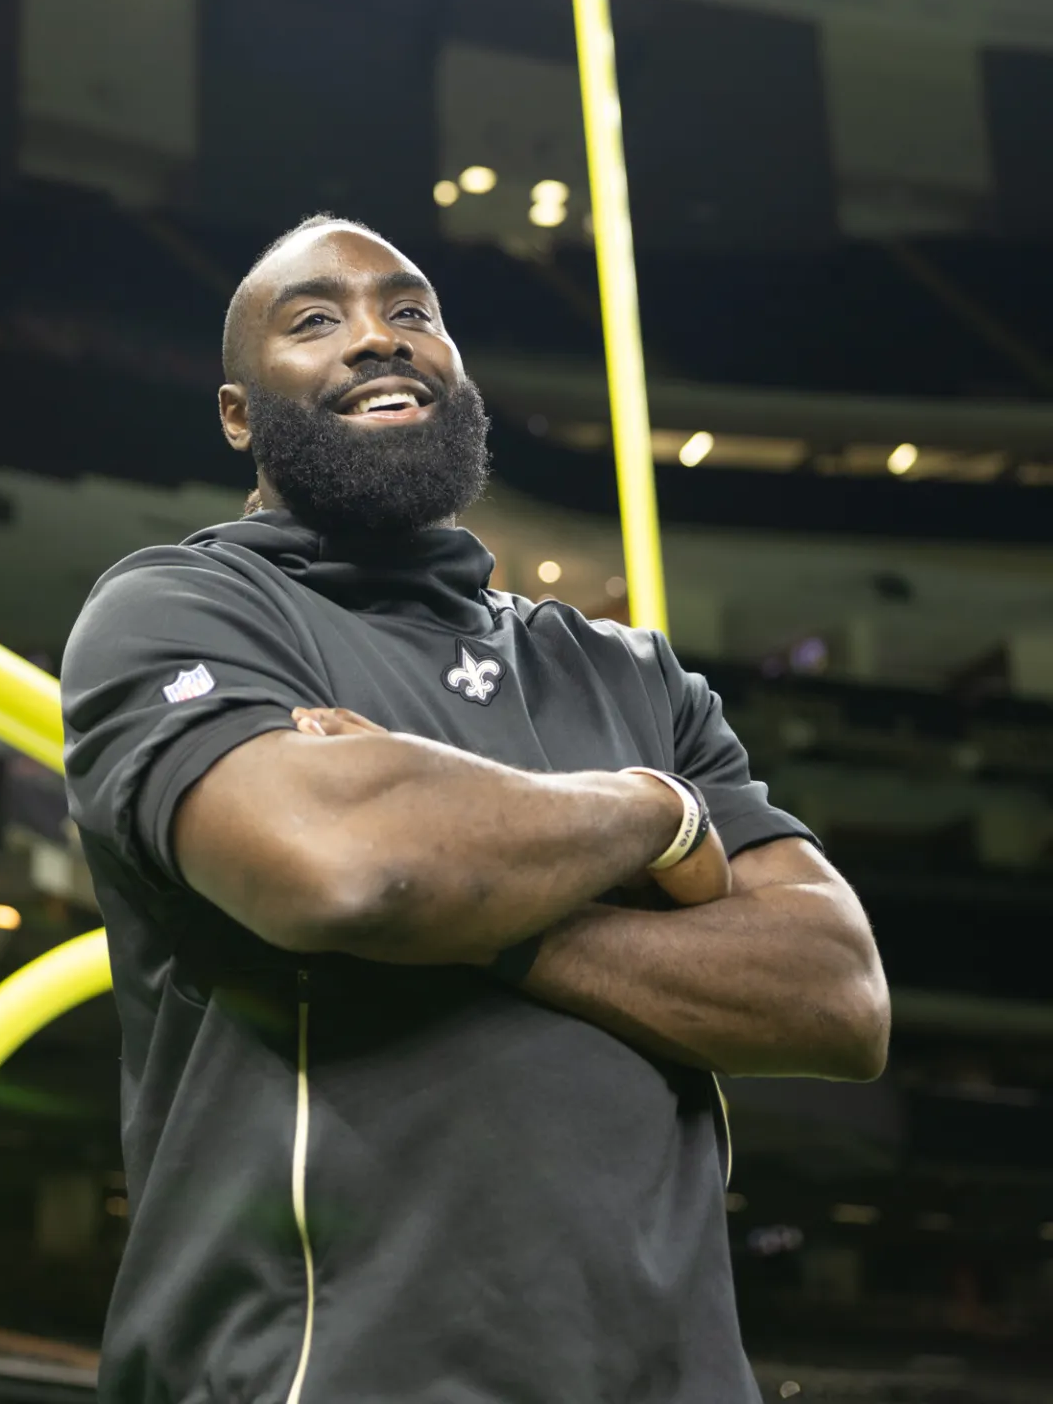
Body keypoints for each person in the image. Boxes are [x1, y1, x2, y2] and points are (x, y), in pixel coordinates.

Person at [62, 215, 888, 1404]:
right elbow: (345, 870)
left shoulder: (634, 678)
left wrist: (467, 903)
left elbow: (835, 996)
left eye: (410, 314)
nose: (375, 341)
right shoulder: (181, 611)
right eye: (314, 321)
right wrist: (653, 816)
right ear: (239, 413)